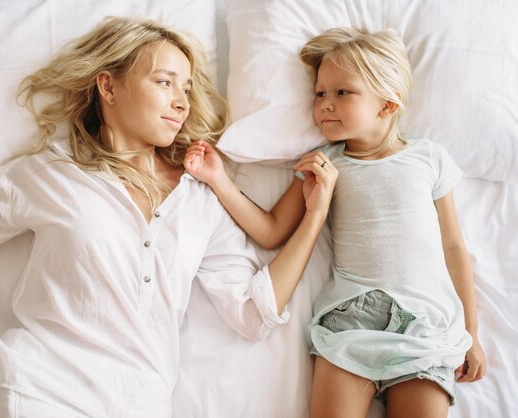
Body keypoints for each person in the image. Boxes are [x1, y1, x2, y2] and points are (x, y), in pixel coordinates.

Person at [0, 16, 337, 417]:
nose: (182, 102)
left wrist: (314, 217)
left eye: (186, 88)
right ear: (108, 87)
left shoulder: (201, 195)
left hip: (139, 404)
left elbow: (253, 312)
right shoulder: (54, 173)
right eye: (165, 82)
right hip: (36, 391)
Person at [183, 27, 486, 418]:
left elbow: (454, 248)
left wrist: (471, 335)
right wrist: (219, 179)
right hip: (350, 319)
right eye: (320, 93)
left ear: (388, 104)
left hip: (426, 327)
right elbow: (271, 230)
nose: (324, 104)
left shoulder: (429, 159)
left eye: (342, 92)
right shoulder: (325, 163)